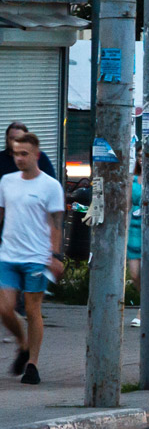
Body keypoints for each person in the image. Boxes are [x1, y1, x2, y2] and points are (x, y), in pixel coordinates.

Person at [0, 132, 65, 384]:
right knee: (4, 308)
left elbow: (57, 223)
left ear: (36, 155)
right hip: (8, 254)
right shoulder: (7, 181)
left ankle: (32, 365)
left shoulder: (50, 185)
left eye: (24, 154)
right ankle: (22, 342)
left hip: (37, 256)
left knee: (32, 309)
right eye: (16, 153)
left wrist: (55, 255)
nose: (19, 158)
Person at [127, 158, 142, 328]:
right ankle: (147, 303)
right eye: (139, 154)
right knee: (134, 273)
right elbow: (127, 205)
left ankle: (142, 310)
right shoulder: (133, 180)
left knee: (147, 272)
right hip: (135, 229)